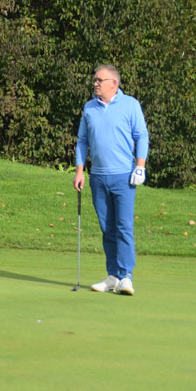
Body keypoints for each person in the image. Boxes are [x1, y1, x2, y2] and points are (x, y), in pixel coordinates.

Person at [73, 65, 149, 295]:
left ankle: (126, 277)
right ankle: (113, 276)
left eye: (100, 80)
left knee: (123, 227)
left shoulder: (130, 105)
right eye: (95, 80)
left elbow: (141, 135)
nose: (95, 83)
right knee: (107, 229)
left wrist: (140, 166)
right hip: (98, 177)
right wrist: (79, 171)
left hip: (124, 177)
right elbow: (82, 141)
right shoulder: (89, 107)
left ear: (113, 84)